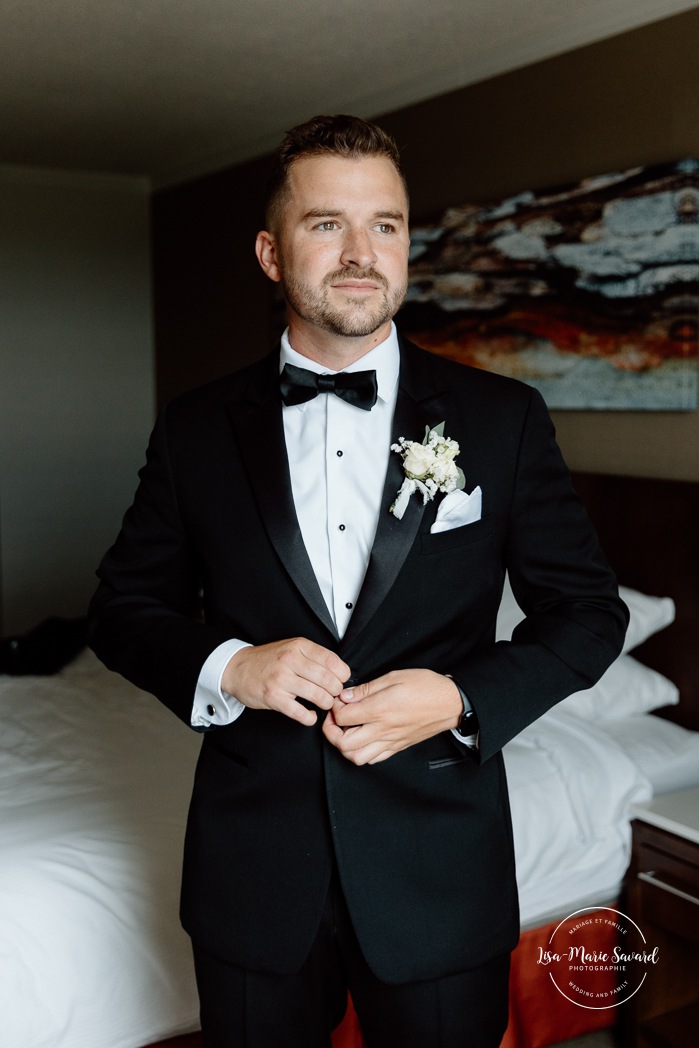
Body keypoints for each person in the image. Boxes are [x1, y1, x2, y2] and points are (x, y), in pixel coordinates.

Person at [89, 114, 628, 1048]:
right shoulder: (194, 428)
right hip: (252, 879)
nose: (359, 253)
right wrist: (230, 667)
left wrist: (460, 697)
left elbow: (586, 614)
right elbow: (122, 609)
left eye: (384, 225)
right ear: (270, 252)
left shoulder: (502, 420)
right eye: (324, 223)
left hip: (438, 874)